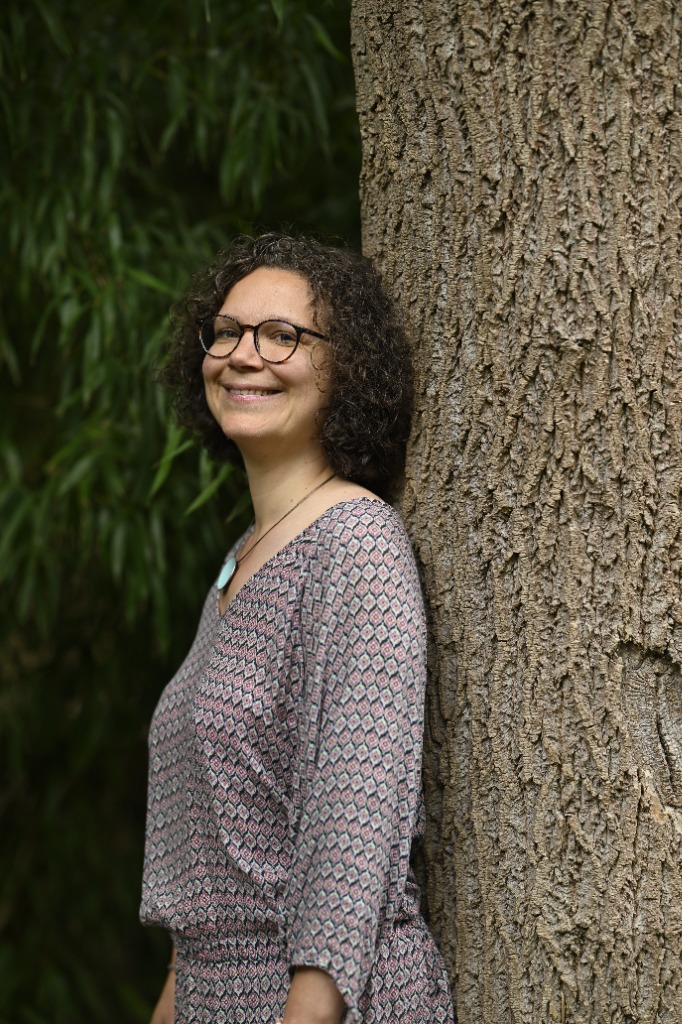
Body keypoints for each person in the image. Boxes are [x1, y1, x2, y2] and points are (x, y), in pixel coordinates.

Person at [140, 233, 454, 1024]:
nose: (245, 355)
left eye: (283, 336)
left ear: (345, 367)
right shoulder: (241, 559)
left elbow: (354, 825)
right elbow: (210, 866)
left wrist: (306, 1014)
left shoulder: (357, 546)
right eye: (227, 332)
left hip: (319, 999)